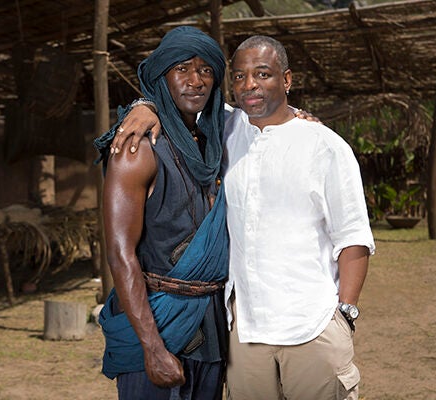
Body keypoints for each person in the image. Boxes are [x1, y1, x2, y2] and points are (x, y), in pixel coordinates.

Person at [112, 35, 374, 399]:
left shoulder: (325, 146)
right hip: (244, 331)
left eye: (263, 74)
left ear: (286, 79)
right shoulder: (226, 130)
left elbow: (353, 238)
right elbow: (180, 100)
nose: (250, 84)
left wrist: (344, 314)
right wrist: (145, 105)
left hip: (311, 325)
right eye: (239, 76)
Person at [93, 26, 230, 400]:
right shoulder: (137, 148)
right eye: (182, 69)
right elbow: (120, 254)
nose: (195, 81)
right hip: (158, 324)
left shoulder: (214, 143)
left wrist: (299, 115)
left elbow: (266, 112)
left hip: (210, 327)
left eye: (205, 70)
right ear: (162, 76)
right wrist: (152, 348)